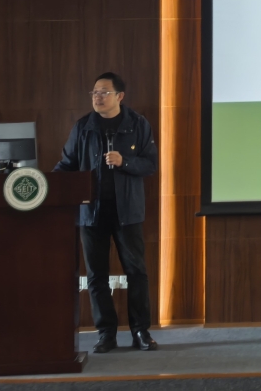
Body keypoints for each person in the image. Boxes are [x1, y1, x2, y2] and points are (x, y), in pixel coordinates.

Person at [55, 72, 158, 353]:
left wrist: (125, 162)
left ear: (119, 96)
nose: (97, 97)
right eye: (94, 93)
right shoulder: (83, 127)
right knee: (96, 275)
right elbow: (67, 165)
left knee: (136, 272)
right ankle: (106, 334)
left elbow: (150, 165)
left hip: (127, 212)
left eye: (104, 92)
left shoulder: (137, 124)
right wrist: (46, 185)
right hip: (91, 212)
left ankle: (140, 332)